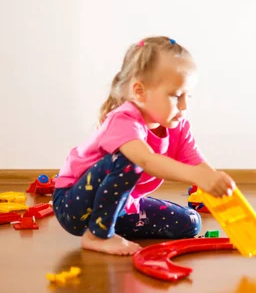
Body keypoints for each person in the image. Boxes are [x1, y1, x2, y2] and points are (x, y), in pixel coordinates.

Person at [52, 36, 236, 255]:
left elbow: (199, 165)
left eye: (188, 95)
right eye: (176, 96)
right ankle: (98, 235)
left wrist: (229, 201)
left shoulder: (178, 125)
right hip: (73, 205)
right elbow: (146, 160)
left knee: (190, 222)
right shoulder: (123, 121)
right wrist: (197, 177)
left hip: (119, 205)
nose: (184, 106)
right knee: (129, 160)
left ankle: (109, 225)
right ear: (139, 92)